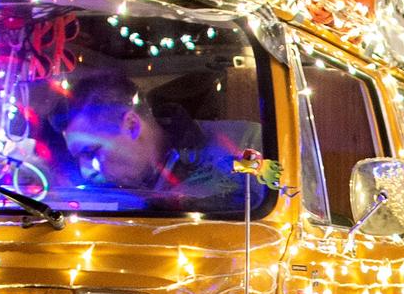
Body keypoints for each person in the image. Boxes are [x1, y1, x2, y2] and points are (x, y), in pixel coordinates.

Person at [56, 71, 269, 210]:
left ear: (132, 125)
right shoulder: (98, 192)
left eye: (91, 152)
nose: (86, 171)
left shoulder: (244, 144)